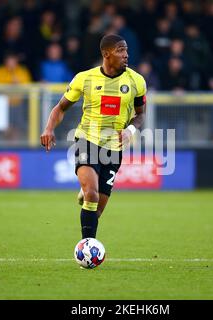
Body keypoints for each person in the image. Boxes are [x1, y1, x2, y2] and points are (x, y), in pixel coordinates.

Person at [40, 34, 147, 240]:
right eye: (121, 50)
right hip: (87, 141)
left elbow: (140, 114)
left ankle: (87, 197)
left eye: (126, 50)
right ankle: (87, 247)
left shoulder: (137, 81)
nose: (126, 55)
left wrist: (130, 131)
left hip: (114, 150)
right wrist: (49, 128)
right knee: (92, 194)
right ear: (106, 54)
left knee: (96, 211)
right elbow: (60, 108)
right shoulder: (85, 78)